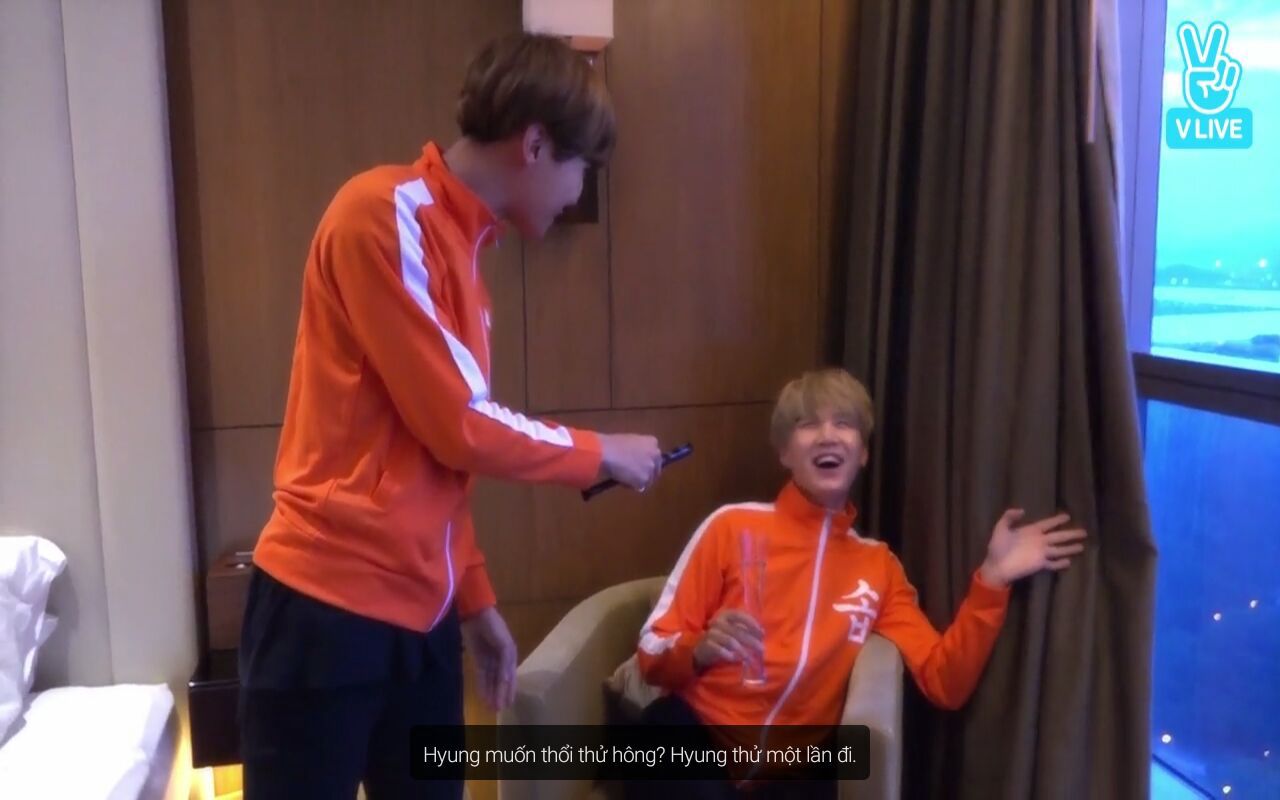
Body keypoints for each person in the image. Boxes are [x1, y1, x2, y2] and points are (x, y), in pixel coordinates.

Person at [238, 32, 663, 799]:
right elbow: (459, 423)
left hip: (421, 620)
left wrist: (474, 600)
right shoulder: (382, 211)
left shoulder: (467, 261)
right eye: (582, 169)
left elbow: (439, 462)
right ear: (535, 144)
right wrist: (602, 451)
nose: (578, 192)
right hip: (325, 613)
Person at [634, 368, 1087, 797]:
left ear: (863, 452)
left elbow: (944, 682)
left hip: (794, 771)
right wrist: (698, 650)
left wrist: (992, 579)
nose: (828, 435)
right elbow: (652, 652)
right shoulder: (731, 527)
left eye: (844, 424)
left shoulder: (877, 566)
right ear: (785, 453)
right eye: (808, 424)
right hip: (694, 740)